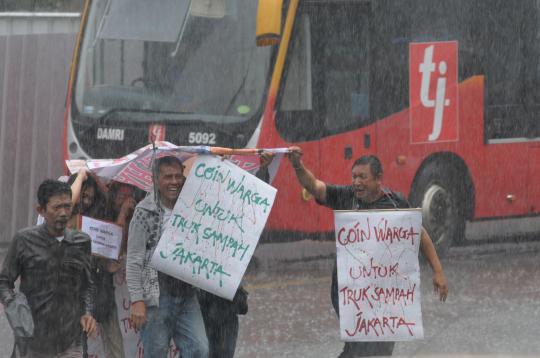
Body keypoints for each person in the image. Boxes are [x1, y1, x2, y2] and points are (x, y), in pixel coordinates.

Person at [287, 147, 448, 358]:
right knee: (361, 346)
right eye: (354, 177)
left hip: (385, 297)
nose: (357, 182)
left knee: (376, 350)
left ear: (378, 179)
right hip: (350, 294)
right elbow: (314, 186)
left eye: (363, 177)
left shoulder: (395, 203)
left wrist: (438, 271)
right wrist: (297, 165)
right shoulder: (346, 197)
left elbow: (421, 234)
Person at [0, 179, 97, 357]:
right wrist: (13, 305)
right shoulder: (24, 240)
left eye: (67, 207)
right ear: (41, 210)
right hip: (33, 342)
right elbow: (3, 281)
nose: (63, 213)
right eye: (56, 207)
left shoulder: (82, 242)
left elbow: (87, 284)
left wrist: (87, 313)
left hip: (70, 341)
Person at [127, 156, 208, 358]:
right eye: (168, 177)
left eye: (178, 176)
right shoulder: (143, 212)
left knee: (199, 349)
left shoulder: (192, 207)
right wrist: (137, 300)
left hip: (187, 294)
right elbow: (134, 260)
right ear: (155, 179)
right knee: (156, 353)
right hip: (156, 297)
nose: (174, 182)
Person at [197, 152, 275, 358]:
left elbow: (254, 205)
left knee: (223, 352)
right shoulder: (194, 214)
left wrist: (263, 170)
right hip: (198, 303)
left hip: (225, 304)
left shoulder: (237, 220)